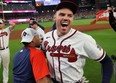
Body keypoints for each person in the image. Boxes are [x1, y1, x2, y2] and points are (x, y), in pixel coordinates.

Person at [42, 1, 113, 83]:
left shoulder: (84, 39)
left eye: (70, 15)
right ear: (54, 17)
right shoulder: (46, 37)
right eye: (62, 14)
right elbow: (42, 54)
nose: (66, 18)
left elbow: (106, 61)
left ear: (72, 19)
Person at [0, 18, 15, 83]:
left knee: (6, 67)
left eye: (0, 23)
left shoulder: (7, 30)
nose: (0, 25)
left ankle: (5, 81)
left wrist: (6, 21)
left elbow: (13, 24)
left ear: (3, 24)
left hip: (5, 50)